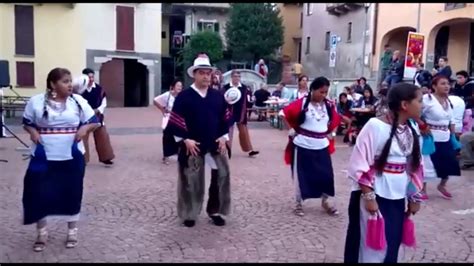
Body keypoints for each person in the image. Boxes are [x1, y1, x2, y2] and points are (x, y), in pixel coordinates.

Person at [22, 68, 100, 252]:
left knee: (72, 191)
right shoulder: (36, 102)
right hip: (43, 156)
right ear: (52, 84)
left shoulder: (78, 102)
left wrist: (84, 129)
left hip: (71, 156)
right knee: (38, 192)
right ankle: (42, 233)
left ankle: (72, 232)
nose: (70, 84)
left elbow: (95, 120)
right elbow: (27, 122)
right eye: (65, 81)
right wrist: (33, 132)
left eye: (70, 81)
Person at [344, 83, 423, 263]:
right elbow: (359, 163)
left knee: (391, 240)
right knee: (370, 246)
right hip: (374, 194)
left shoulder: (412, 129)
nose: (422, 105)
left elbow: (415, 167)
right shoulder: (375, 126)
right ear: (405, 104)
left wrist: (414, 197)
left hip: (396, 195)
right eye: (419, 101)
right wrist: (369, 197)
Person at [165, 55, 232, 228]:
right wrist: (185, 139)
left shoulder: (217, 96)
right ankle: (190, 213)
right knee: (191, 179)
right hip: (192, 145)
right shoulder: (184, 97)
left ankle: (215, 210)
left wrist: (224, 137)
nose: (206, 76)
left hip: (214, 144)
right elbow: (175, 121)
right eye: (202, 73)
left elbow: (225, 119)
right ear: (194, 74)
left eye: (208, 73)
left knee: (222, 175)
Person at [280, 77, 341, 217]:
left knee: (326, 175)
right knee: (302, 175)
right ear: (313, 90)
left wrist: (332, 132)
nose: (324, 95)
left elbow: (337, 119)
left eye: (326, 92)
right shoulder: (301, 104)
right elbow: (284, 113)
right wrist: (290, 130)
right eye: (321, 92)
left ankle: (326, 201)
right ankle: (298, 203)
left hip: (322, 145)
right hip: (303, 144)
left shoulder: (329, 106)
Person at [418, 76, 461, 200]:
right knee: (428, 162)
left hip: (445, 136)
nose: (447, 86)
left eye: (448, 84)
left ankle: (442, 185)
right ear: (434, 86)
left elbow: (451, 120)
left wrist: (453, 136)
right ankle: (422, 188)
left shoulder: (448, 101)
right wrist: (422, 127)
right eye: (443, 84)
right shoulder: (427, 99)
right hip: (430, 136)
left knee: (450, 162)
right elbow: (417, 114)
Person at [78, 68, 115, 165]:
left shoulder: (99, 89)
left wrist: (98, 110)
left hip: (97, 116)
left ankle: (106, 157)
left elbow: (104, 103)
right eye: (88, 77)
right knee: (83, 138)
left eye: (92, 77)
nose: (91, 79)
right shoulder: (80, 90)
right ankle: (83, 159)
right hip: (84, 118)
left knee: (103, 136)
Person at [222, 70, 260, 157]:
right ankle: (227, 149)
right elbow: (221, 99)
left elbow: (249, 99)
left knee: (244, 132)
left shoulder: (244, 88)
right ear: (231, 77)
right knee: (228, 132)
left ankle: (250, 150)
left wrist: (252, 101)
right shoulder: (226, 87)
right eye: (235, 76)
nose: (237, 78)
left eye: (238, 76)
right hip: (229, 112)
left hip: (241, 112)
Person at [153, 79, 183, 164]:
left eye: (181, 86)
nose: (179, 87)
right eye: (178, 85)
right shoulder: (167, 95)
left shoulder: (182, 96)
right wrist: (162, 109)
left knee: (178, 137)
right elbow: (155, 100)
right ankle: (166, 156)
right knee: (167, 137)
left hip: (178, 119)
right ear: (173, 86)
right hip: (169, 118)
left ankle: (177, 153)